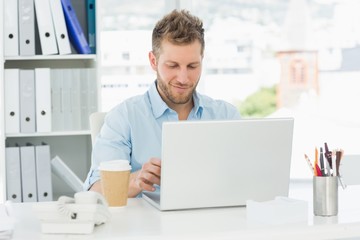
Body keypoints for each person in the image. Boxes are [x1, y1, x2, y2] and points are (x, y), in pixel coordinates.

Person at [84, 9, 240, 197]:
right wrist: (135, 180)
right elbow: (95, 190)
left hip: (212, 222)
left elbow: (245, 179)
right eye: (172, 65)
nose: (183, 78)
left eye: (192, 66)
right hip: (146, 225)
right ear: (153, 61)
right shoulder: (124, 117)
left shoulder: (226, 116)